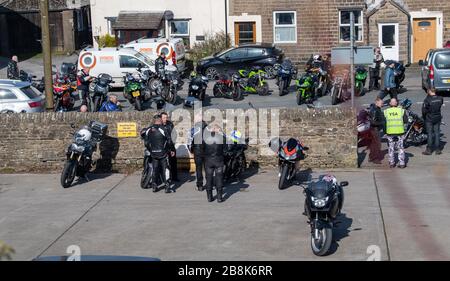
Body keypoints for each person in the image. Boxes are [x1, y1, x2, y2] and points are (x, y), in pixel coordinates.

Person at [144, 115, 175, 193]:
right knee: (166, 169)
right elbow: (169, 140)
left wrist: (150, 150)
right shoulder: (163, 129)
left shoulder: (148, 129)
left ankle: (154, 186)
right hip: (163, 153)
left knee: (155, 169)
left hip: (153, 154)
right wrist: (171, 149)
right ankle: (167, 187)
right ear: (159, 120)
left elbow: (146, 142)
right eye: (161, 120)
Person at [203, 123, 227, 203]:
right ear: (217, 129)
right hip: (219, 160)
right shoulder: (222, 137)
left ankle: (209, 198)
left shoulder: (205, 137)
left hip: (208, 160)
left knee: (208, 179)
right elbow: (226, 149)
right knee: (219, 178)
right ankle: (219, 198)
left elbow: (202, 149)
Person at [384, 98, 408, 168]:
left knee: (391, 148)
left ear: (390, 104)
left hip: (390, 132)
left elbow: (384, 122)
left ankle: (392, 163)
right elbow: (406, 121)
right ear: (397, 103)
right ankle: (402, 163)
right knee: (400, 148)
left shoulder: (386, 111)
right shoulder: (401, 111)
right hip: (399, 132)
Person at [188, 113, 208, 191]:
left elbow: (189, 142)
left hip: (197, 151)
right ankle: (209, 183)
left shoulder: (193, 130)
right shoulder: (209, 128)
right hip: (208, 152)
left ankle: (200, 185)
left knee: (198, 169)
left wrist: (191, 151)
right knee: (208, 169)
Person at [422, 88, 444, 155]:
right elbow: (440, 105)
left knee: (430, 134)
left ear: (429, 92)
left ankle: (429, 150)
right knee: (437, 133)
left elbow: (424, 111)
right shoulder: (440, 98)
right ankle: (437, 150)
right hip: (437, 117)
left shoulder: (427, 100)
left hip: (429, 118)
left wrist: (424, 117)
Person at [161, 112, 178, 181]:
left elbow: (174, 134)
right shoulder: (159, 125)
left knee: (173, 162)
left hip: (171, 145)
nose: (165, 119)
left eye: (166, 117)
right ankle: (164, 178)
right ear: (161, 118)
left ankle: (174, 177)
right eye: (164, 117)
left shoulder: (170, 124)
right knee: (163, 163)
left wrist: (172, 144)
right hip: (162, 147)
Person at [368, 97, 385, 164]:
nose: (382, 104)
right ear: (377, 102)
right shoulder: (375, 110)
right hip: (375, 129)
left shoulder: (376, 108)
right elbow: (373, 122)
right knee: (377, 145)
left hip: (373, 129)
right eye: (381, 103)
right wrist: (382, 122)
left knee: (373, 145)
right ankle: (374, 158)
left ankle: (371, 157)